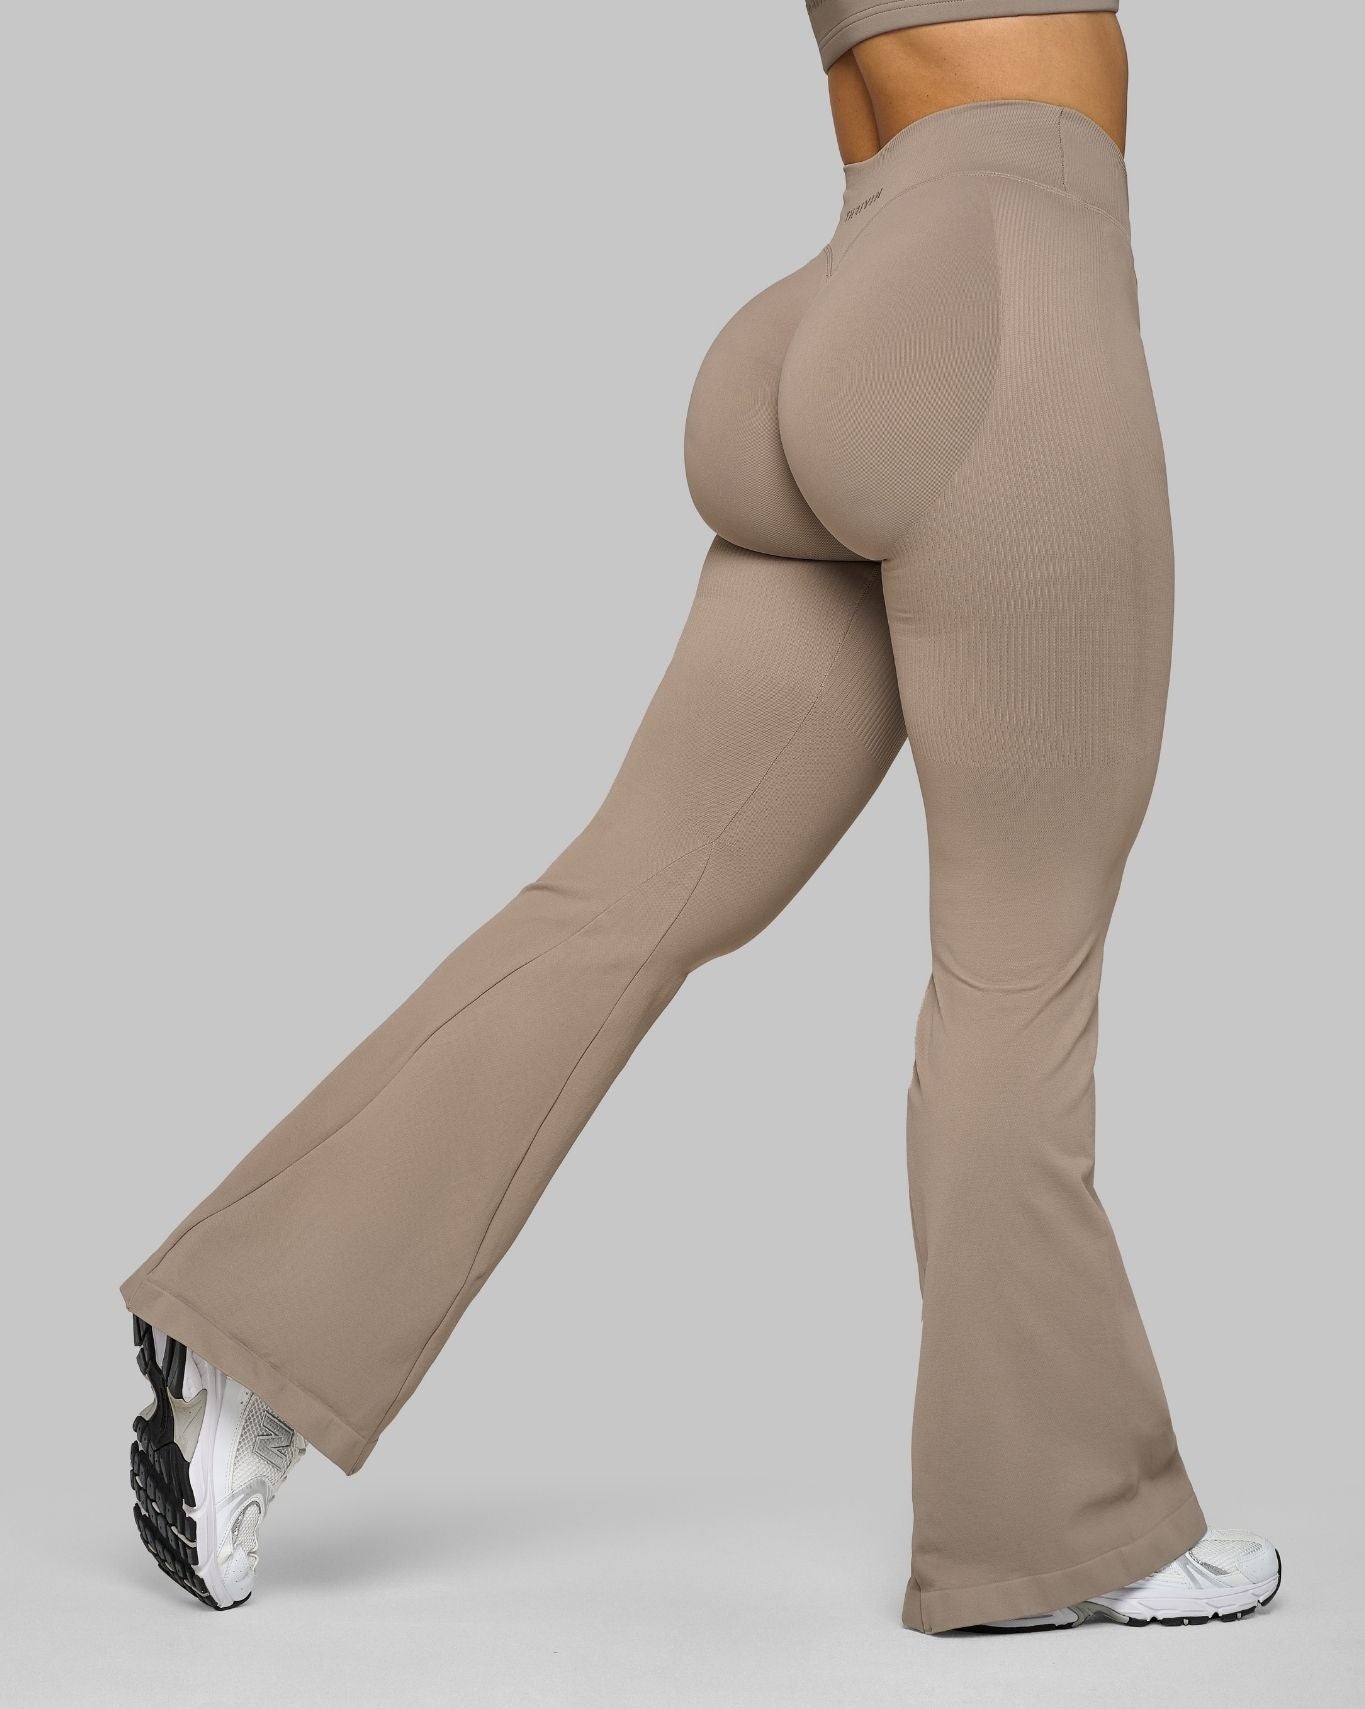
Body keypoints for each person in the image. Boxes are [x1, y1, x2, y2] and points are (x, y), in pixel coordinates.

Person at [122, 3, 1281, 1632]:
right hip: (1012, 289)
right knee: (1018, 961)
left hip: (842, 298)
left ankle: (250, 1332)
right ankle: (1056, 1525)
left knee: (623, 896)